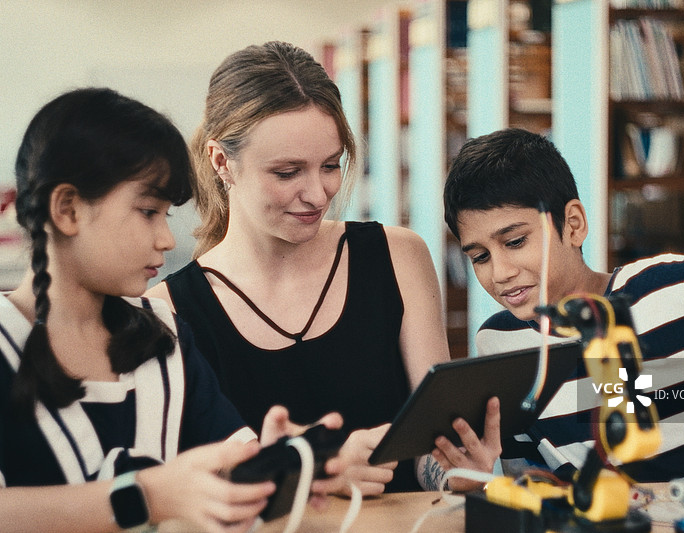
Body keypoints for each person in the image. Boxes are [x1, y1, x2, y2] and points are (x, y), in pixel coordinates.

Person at [146, 41, 498, 494]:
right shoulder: (168, 313)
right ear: (221, 162)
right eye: (288, 172)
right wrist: (311, 475)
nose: (318, 193)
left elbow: (433, 452)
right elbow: (181, 494)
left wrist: (460, 470)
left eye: (331, 165)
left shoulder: (398, 257)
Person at [1, 87, 344, 533]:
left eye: (166, 215)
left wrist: (265, 467)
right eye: (147, 212)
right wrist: (146, 495)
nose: (166, 239)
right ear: (67, 209)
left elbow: (218, 461)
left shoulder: (163, 337)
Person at [440, 127, 684, 483]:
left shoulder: (681, 290)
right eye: (480, 256)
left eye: (516, 241)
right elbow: (540, 490)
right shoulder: (503, 343)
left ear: (573, 225)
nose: (499, 272)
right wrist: (483, 480)